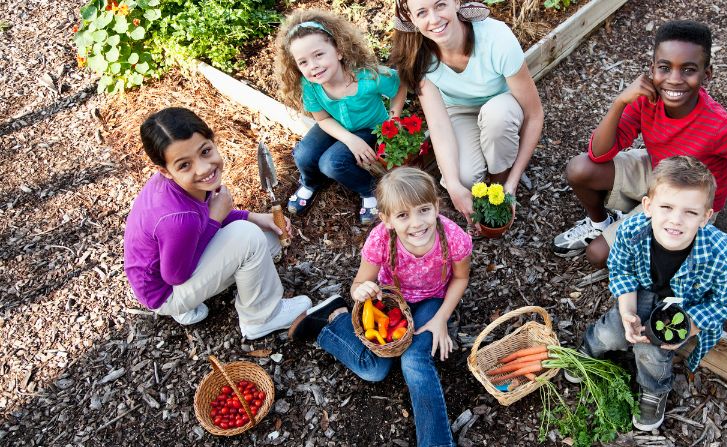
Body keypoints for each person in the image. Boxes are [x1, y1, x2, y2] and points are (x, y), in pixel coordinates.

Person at [552, 20, 727, 290]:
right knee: (580, 168)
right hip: (658, 170)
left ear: (706, 74)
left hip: (689, 196)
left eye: (688, 70)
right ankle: (601, 223)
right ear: (652, 70)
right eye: (664, 68)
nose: (674, 79)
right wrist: (620, 102)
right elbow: (598, 153)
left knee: (598, 255)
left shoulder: (719, 128)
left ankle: (667, 260)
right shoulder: (646, 100)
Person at [287, 167, 471, 447]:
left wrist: (441, 318)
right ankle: (330, 324)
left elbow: (461, 278)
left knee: (414, 358)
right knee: (374, 370)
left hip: (430, 303)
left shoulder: (453, 237)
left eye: (424, 210)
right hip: (388, 302)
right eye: (403, 215)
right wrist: (361, 291)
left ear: (437, 207)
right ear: (386, 219)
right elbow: (360, 283)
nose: (416, 223)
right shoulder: (380, 241)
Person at [570, 156, 727, 431]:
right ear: (648, 206)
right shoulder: (630, 231)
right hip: (641, 292)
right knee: (612, 332)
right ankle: (590, 348)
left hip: (685, 307)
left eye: (690, 212)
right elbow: (622, 270)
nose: (676, 220)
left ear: (706, 217)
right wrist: (627, 311)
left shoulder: (720, 250)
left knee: (652, 351)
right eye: (667, 207)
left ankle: (653, 389)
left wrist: (687, 327)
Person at [123, 107, 311, 340]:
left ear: (213, 140)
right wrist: (216, 219)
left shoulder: (179, 185)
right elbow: (176, 276)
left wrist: (254, 217)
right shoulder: (179, 220)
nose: (202, 168)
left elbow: (205, 217)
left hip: (161, 271)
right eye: (184, 165)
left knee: (268, 237)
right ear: (165, 171)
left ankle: (193, 303)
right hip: (166, 293)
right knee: (249, 238)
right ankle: (262, 318)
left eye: (205, 151)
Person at [390, 0, 544, 224]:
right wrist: (452, 184)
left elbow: (534, 114)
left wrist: (511, 183)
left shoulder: (496, 38)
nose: (433, 19)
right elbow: (439, 126)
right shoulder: (417, 56)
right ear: (412, 19)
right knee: (465, 179)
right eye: (422, 12)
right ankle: (488, 163)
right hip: (459, 110)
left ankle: (499, 181)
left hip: (502, 106)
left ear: (456, 2)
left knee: (496, 119)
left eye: (440, 5)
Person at [274, 9, 407, 224]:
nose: (313, 66)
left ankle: (369, 190)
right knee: (303, 154)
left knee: (333, 163)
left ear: (339, 51)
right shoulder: (309, 86)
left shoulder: (367, 77)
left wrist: (394, 119)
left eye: (318, 54)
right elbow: (323, 119)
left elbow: (399, 85)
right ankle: (310, 182)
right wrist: (349, 139)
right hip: (335, 125)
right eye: (303, 62)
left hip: (369, 127)